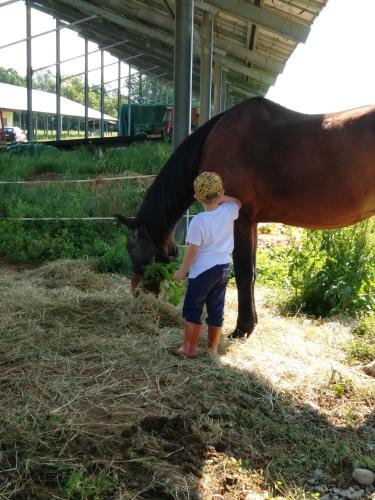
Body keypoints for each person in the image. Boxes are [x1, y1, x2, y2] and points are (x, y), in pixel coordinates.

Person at [173, 171, 241, 357]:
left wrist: (182, 271)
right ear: (220, 193)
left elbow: (192, 251)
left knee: (192, 308)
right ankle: (212, 349)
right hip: (224, 268)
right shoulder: (229, 211)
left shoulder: (198, 221)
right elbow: (237, 202)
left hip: (202, 272)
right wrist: (222, 196)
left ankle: (188, 349)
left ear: (196, 197)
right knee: (216, 309)